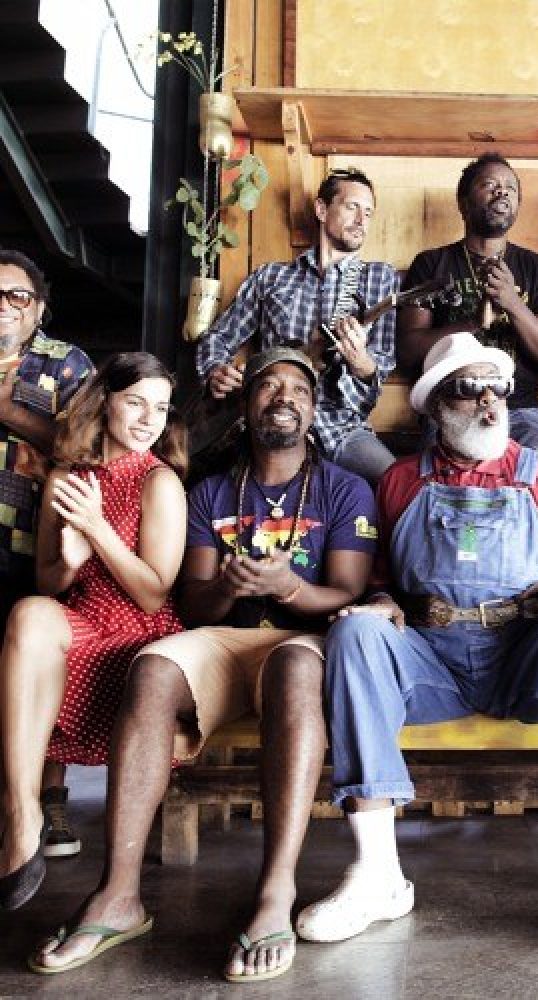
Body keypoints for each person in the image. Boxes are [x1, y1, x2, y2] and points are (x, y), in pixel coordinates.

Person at [294, 332, 538, 962]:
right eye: (467, 388)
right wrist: (383, 600)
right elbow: (381, 578)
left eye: (496, 388)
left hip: (522, 657)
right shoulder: (400, 481)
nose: (487, 401)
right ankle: (377, 873)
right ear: (435, 405)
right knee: (355, 632)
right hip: (432, 659)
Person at [29, 348, 377, 981]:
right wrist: (229, 587)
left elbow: (347, 593)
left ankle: (274, 893)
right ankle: (119, 895)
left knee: (297, 668)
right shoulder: (212, 490)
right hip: (222, 637)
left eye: (299, 389)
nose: (283, 396)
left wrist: (287, 587)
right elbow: (190, 602)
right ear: (245, 406)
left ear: (314, 410)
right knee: (153, 666)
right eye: (267, 385)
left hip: (301, 640)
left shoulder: (344, 488)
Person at [0, 352, 187, 912]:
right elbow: (49, 582)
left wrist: (98, 531)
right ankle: (22, 813)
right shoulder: (66, 477)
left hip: (138, 636)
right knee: (29, 611)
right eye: (136, 403)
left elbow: (154, 594)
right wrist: (70, 558)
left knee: (36, 621)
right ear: (105, 402)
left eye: (161, 408)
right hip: (80, 622)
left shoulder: (160, 482)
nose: (149, 419)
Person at [196, 167, 398, 484]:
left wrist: (361, 362)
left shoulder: (380, 279)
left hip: (339, 425)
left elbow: (381, 363)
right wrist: (214, 371)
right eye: (352, 207)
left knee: (396, 484)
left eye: (368, 213)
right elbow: (218, 337)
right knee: (195, 479)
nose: (361, 220)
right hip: (270, 416)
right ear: (321, 210)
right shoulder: (271, 277)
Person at [0, 248, 94, 859]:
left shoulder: (67, 362)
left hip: (37, 541)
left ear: (38, 309)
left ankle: (48, 799)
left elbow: (87, 446)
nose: (4, 307)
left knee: (40, 669)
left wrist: (9, 411)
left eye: (17, 296)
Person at [397, 153, 538, 453]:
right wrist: (472, 323)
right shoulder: (431, 263)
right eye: (489, 184)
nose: (502, 192)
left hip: (519, 408)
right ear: (463, 203)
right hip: (452, 402)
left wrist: (513, 304)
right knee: (437, 477)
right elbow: (409, 352)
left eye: (510, 188)